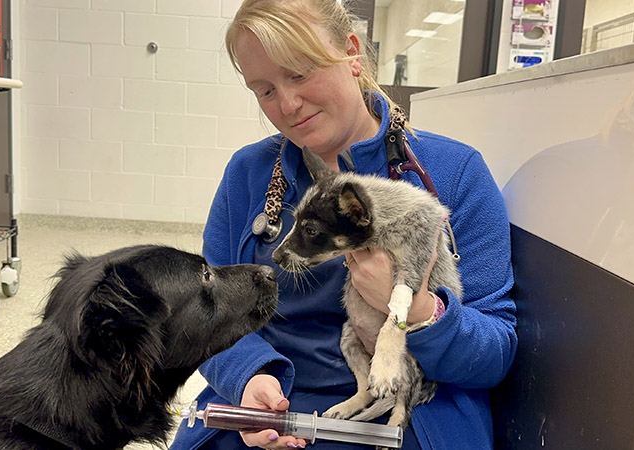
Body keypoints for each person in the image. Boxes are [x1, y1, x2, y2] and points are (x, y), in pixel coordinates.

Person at [169, 0, 517, 449]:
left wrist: (417, 312)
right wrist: (250, 378)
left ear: (352, 52)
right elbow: (204, 317)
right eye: (265, 90)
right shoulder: (248, 175)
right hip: (268, 414)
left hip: (408, 418)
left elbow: (494, 353)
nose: (288, 104)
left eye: (299, 73)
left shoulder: (454, 173)